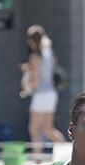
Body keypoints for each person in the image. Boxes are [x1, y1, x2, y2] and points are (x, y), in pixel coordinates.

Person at [24, 25, 65, 156]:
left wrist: (27, 82)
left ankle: (37, 159)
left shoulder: (35, 57)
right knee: (48, 129)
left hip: (41, 94)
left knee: (34, 129)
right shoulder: (49, 53)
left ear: (32, 41)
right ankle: (67, 152)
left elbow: (36, 81)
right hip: (52, 93)